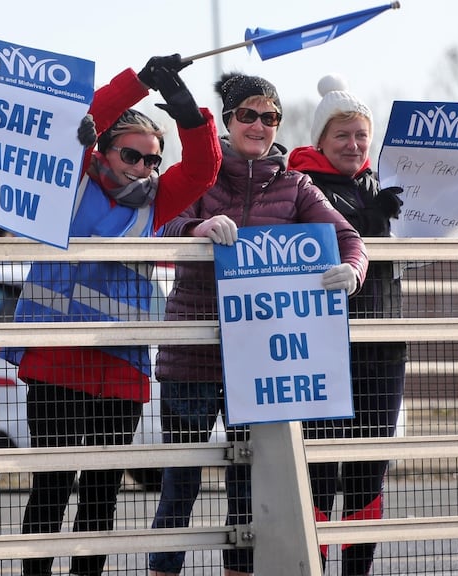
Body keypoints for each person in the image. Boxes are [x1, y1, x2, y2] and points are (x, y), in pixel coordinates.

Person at [1, 55, 222, 576]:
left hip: (122, 367)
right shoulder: (70, 180)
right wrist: (139, 83)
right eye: (133, 155)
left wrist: (190, 113)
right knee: (50, 487)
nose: (144, 168)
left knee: (101, 496)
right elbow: (85, 115)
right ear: (103, 150)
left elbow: (204, 168)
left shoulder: (156, 202)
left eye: (153, 160)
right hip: (55, 361)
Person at [147, 72, 369, 576]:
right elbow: (160, 222)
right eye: (248, 114)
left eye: (270, 117)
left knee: (247, 491)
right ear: (227, 120)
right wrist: (196, 227)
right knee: (178, 486)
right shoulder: (199, 174)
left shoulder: (295, 186)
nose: (259, 125)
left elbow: (350, 236)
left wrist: (352, 270)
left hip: (261, 362)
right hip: (192, 353)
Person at [286, 74, 458, 575]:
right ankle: (311, 567)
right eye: (342, 135)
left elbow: (426, 236)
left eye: (361, 134)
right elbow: (313, 247)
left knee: (369, 473)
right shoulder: (300, 184)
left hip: (383, 346)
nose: (354, 144)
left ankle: (357, 570)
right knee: (318, 472)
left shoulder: (385, 183)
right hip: (321, 347)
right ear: (320, 140)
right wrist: (368, 220)